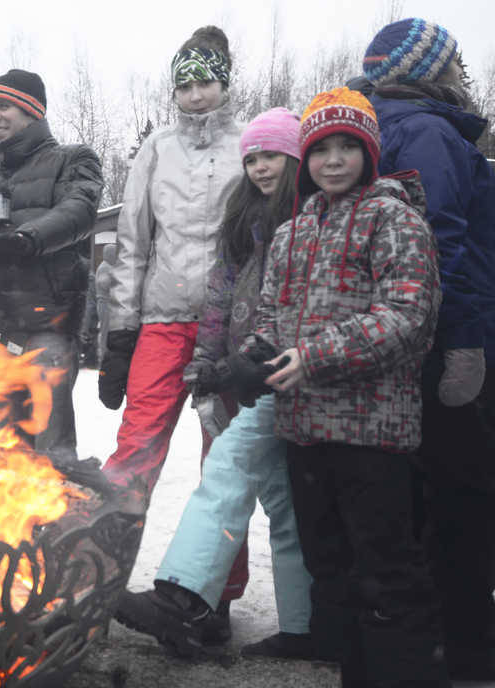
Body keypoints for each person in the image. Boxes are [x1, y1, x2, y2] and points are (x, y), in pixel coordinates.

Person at [247, 86, 446, 686]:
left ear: (368, 151)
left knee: (386, 575)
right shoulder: (291, 231)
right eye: (320, 149)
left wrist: (313, 357)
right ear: (304, 160)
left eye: (346, 147)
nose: (332, 160)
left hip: (372, 434)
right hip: (304, 433)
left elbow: (409, 316)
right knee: (331, 572)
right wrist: (251, 357)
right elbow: (269, 315)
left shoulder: (396, 218)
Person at [114, 108, 317, 660]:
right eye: (250, 158)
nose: (258, 168)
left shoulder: (309, 213)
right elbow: (223, 294)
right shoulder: (246, 215)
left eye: (270, 155)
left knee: (229, 467)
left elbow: (302, 301)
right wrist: (210, 358)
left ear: (296, 157)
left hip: (298, 371)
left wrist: (258, 357)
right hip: (256, 367)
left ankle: (186, 598)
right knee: (280, 493)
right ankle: (304, 623)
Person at [97, 25, 244, 634]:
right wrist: (120, 331)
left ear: (225, 84)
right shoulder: (155, 148)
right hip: (161, 318)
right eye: (184, 86)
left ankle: (213, 599)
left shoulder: (248, 145)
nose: (195, 96)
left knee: (224, 460)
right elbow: (131, 240)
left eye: (206, 82)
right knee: (134, 449)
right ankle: (96, 577)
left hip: (227, 325)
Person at [362, 19, 495, 680]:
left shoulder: (387, 126)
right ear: (433, 69)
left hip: (404, 335)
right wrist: (462, 340)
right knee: (461, 490)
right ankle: (468, 643)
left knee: (422, 491)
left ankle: (430, 632)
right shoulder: (425, 130)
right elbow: (441, 242)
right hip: (443, 337)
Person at [0, 69, 103, 466]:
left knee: (52, 456)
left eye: (3, 106)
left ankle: (59, 528)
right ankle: (10, 531)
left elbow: (79, 211)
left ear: (32, 111)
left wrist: (27, 238)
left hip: (47, 330)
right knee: (5, 457)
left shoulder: (73, 159)